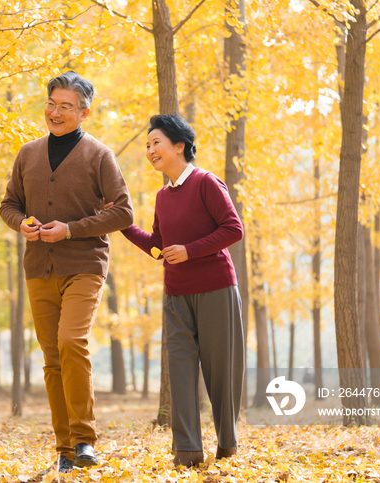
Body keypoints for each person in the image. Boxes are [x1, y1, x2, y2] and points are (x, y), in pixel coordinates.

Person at [0, 71, 134, 474]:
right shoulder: (28, 153)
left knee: (72, 342)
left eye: (66, 107)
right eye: (51, 104)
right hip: (39, 266)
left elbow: (124, 211)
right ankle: (64, 448)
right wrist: (20, 223)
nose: (55, 112)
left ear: (84, 112)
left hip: (85, 265)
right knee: (52, 358)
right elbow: (9, 204)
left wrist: (71, 229)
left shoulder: (99, 155)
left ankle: (85, 440)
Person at [120, 114, 245, 467]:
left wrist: (190, 250)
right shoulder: (162, 196)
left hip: (215, 288)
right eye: (147, 145)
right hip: (175, 293)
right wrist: (124, 225)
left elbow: (233, 229)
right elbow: (159, 245)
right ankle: (187, 450)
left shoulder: (206, 182)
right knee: (180, 368)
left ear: (179, 146)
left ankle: (227, 443)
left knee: (220, 370)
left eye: (155, 143)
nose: (150, 150)